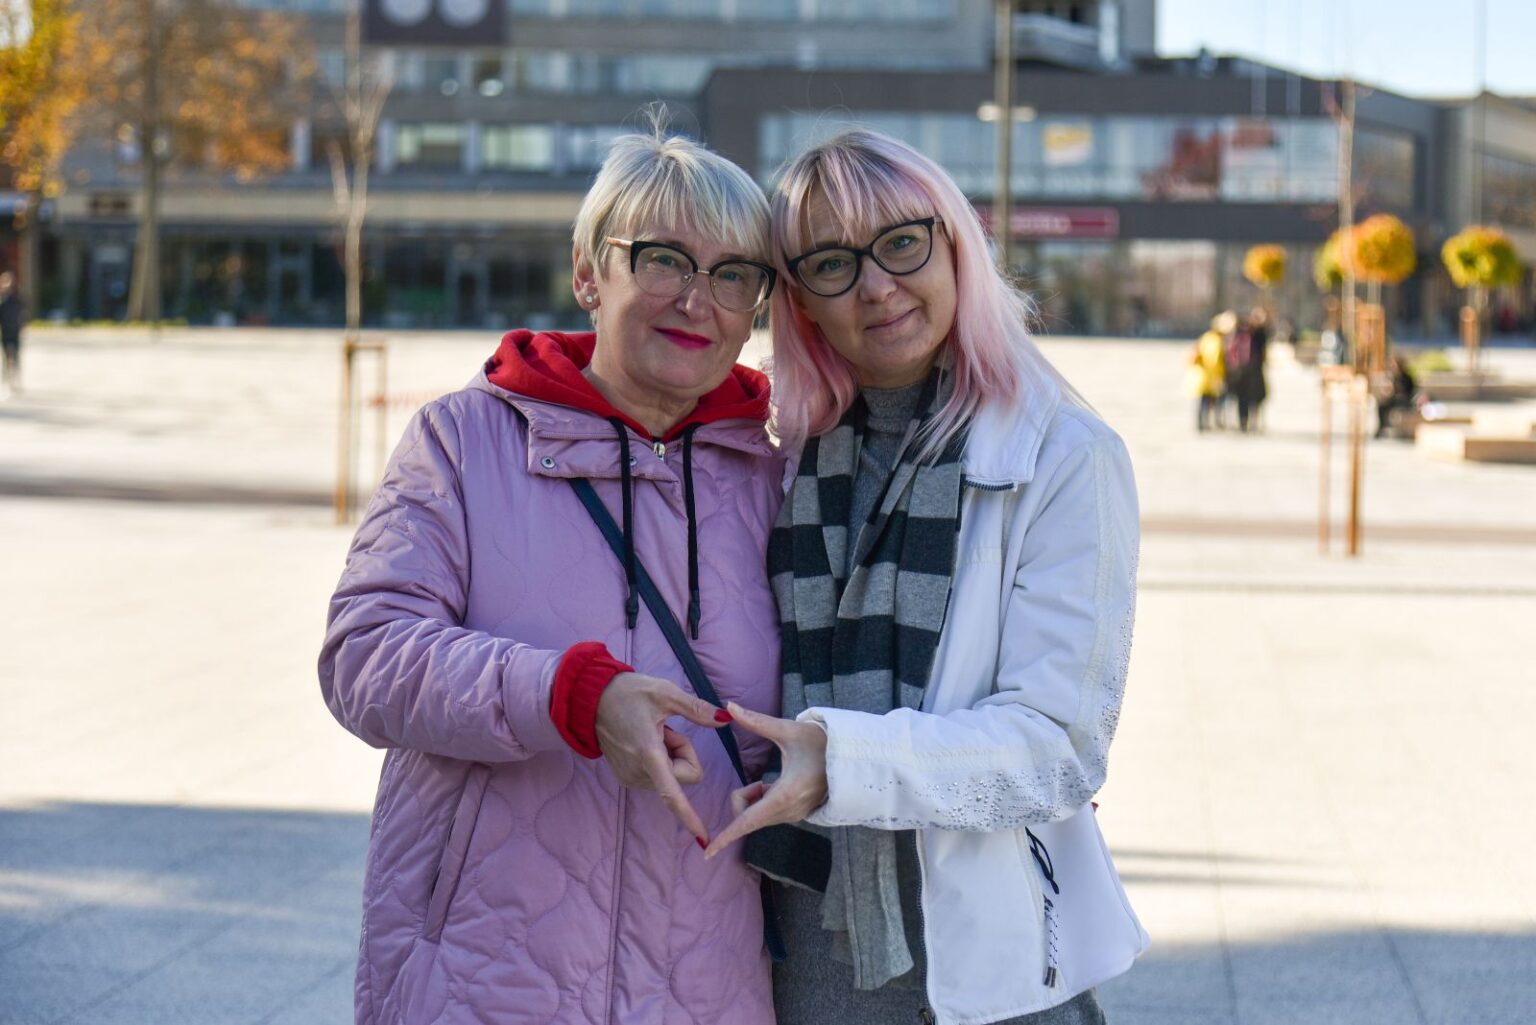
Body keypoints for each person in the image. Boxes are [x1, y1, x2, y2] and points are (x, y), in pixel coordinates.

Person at [319, 125, 787, 1025]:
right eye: (663, 260)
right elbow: (363, 656)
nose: (698, 299)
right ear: (588, 272)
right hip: (483, 981)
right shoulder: (463, 440)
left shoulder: (775, 479)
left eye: (734, 274)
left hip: (707, 989)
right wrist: (568, 695)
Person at [703, 129, 1147, 1025]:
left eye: (901, 243)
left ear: (955, 245)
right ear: (801, 298)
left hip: (985, 968)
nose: (876, 285)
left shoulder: (1064, 454)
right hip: (804, 957)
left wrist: (844, 764)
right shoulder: (784, 457)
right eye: (833, 263)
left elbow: (1061, 743)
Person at [1189, 310, 1232, 432]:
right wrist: (1221, 376)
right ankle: (1206, 424)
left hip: (1203, 375)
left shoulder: (1206, 337)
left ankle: (1203, 424)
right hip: (1211, 377)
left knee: (1204, 402)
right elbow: (1215, 360)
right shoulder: (1217, 341)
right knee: (1208, 401)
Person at [0, 272, 23, 398]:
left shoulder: (16, 298)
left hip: (15, 332)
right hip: (5, 332)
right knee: (5, 357)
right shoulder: (1, 300)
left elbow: (22, 313)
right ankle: (7, 380)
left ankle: (16, 378)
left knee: (16, 356)